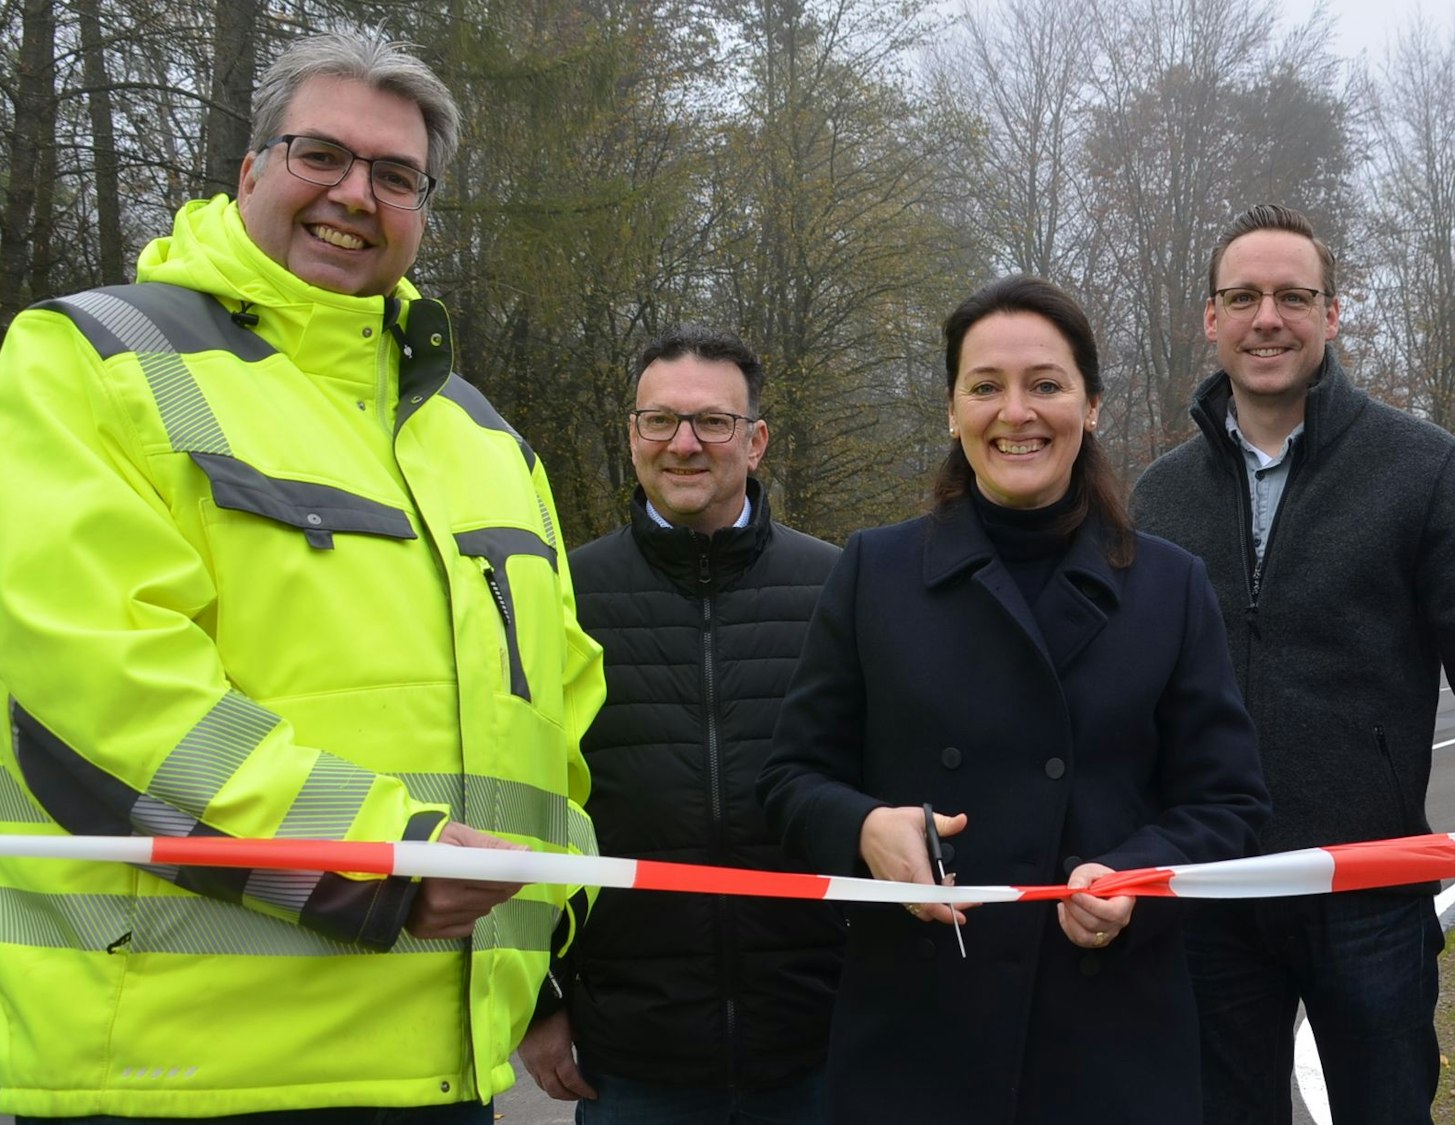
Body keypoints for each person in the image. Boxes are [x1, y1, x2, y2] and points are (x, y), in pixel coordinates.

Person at [0, 30, 603, 1123]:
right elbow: (94, 694)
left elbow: (553, 734)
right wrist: (385, 856)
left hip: (444, 1071)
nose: (353, 194)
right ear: (249, 172)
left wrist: (541, 961)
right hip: (176, 1072)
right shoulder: (90, 360)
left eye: (395, 175)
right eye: (319, 154)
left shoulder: (488, 441)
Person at [1129, 203, 1455, 1124]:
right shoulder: (1158, 495)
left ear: (1333, 314)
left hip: (1371, 890)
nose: (1268, 317)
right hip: (1215, 893)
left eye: (1293, 296)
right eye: (1244, 296)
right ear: (1211, 318)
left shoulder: (1419, 467)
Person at [757, 275, 1270, 1124]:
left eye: (1046, 384)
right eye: (985, 387)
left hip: (1110, 1041)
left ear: (1092, 405)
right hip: (919, 1044)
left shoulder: (1169, 586)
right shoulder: (873, 572)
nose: (1016, 412)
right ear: (952, 413)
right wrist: (861, 827)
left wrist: (1136, 875)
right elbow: (789, 778)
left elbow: (1230, 799)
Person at [518, 326, 844, 1122]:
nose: (684, 444)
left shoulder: (839, 588)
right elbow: (522, 802)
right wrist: (542, 997)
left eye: (713, 422)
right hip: (633, 1056)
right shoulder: (561, 594)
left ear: (757, 440)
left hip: (818, 1047)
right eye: (659, 421)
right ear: (632, 434)